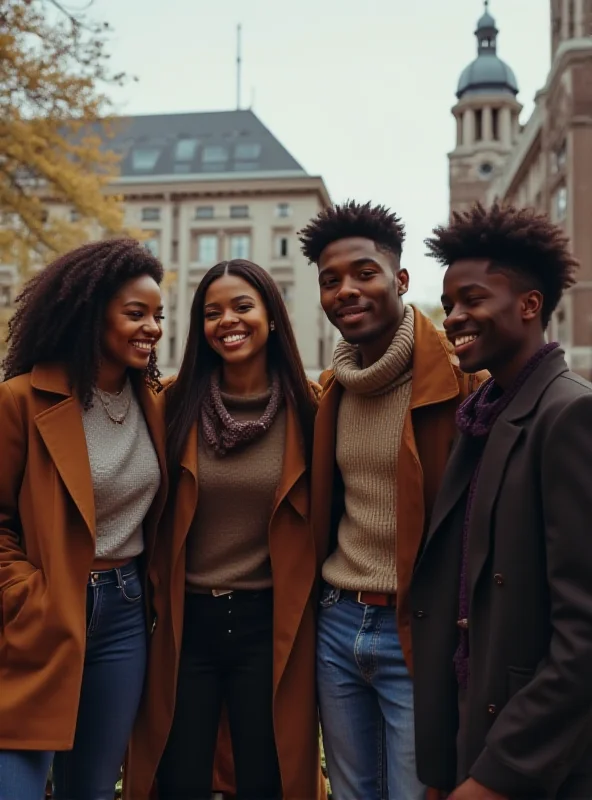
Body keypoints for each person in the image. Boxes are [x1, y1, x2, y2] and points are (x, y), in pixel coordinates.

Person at [298, 200, 485, 800]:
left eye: (364, 273)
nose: (346, 290)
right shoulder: (330, 391)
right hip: (337, 622)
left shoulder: (463, 382)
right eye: (331, 281)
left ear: (400, 281)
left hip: (419, 629)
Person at [411, 202, 592, 800]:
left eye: (472, 299)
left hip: (534, 761)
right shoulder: (486, 416)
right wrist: (446, 764)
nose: (454, 316)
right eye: (450, 302)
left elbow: (583, 632)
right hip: (474, 734)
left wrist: (498, 775)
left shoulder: (568, 414)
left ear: (529, 305)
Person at [125, 259, 325, 800]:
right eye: (212, 312)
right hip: (185, 624)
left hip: (270, 622)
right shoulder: (170, 405)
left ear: (272, 316)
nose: (227, 321)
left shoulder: (311, 409)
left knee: (268, 777)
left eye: (242, 306)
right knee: (179, 778)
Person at [0, 239, 168, 800]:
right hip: (42, 614)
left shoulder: (156, 402)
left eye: (159, 315)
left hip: (123, 615)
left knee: (92, 790)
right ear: (92, 314)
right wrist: (29, 595)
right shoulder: (21, 400)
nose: (153, 328)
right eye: (136, 314)